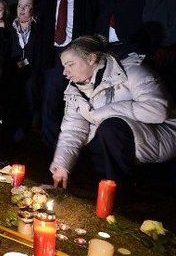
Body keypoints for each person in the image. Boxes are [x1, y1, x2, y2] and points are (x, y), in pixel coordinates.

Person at [50, 35, 176, 205]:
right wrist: (62, 166)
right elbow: (73, 130)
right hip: (118, 140)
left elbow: (158, 110)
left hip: (161, 135)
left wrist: (105, 112)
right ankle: (106, 197)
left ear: (91, 58)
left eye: (70, 65)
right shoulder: (75, 90)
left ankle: (119, 201)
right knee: (92, 137)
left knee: (110, 127)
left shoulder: (131, 71)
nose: (65, 72)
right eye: (64, 66)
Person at [39, 0, 96, 149]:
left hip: (79, 54)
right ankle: (52, 149)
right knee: (51, 102)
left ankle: (79, 147)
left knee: (81, 101)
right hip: (55, 55)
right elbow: (42, 30)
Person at [7, 0, 42, 139]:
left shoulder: (40, 28)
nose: (22, 9)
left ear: (33, 9)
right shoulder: (9, 28)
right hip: (13, 77)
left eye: (26, 6)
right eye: (20, 6)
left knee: (31, 108)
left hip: (33, 76)